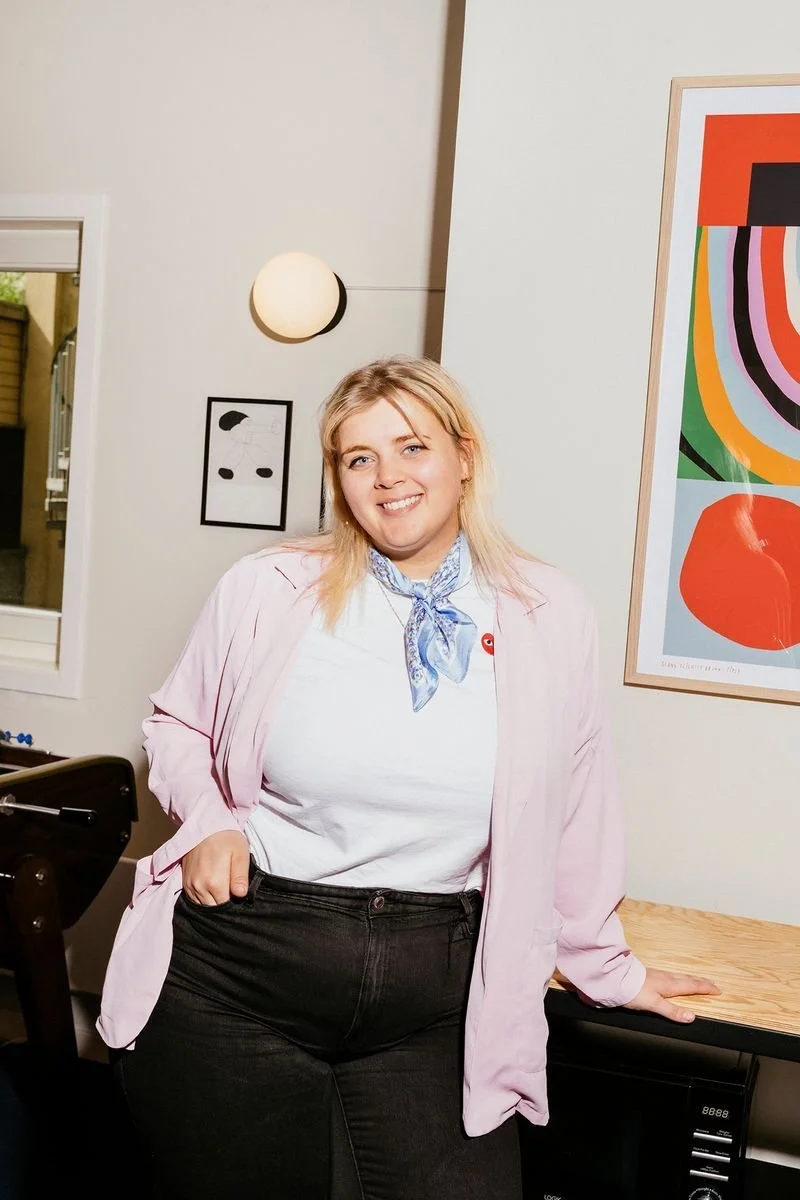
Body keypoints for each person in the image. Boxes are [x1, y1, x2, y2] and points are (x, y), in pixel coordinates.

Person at [98, 356, 720, 1199]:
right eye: (361, 458)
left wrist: (607, 967)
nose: (388, 477)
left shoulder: (547, 611)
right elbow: (177, 724)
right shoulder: (267, 588)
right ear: (340, 480)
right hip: (241, 968)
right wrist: (208, 820)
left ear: (465, 457)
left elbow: (576, 806)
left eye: (412, 447)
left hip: (438, 992)